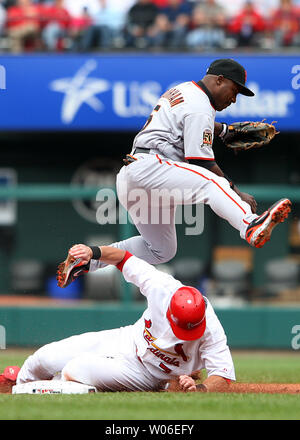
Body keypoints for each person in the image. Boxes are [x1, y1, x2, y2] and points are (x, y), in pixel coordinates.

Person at [60, 58, 291, 278]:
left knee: (161, 250)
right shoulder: (201, 105)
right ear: (219, 80)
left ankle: (89, 259)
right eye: (235, 90)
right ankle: (249, 225)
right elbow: (201, 162)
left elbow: (188, 119)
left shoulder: (186, 90)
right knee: (212, 182)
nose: (234, 99)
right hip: (151, 169)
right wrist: (237, 193)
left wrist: (223, 131)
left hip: (135, 178)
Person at [1, 245, 236, 393]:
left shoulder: (211, 328)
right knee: (45, 357)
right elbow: (123, 258)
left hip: (148, 374)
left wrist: (200, 388)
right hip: (127, 339)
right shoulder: (163, 287)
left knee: (75, 369)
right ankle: (18, 386)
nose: (182, 332)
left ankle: (45, 388)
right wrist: (93, 252)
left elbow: (223, 376)